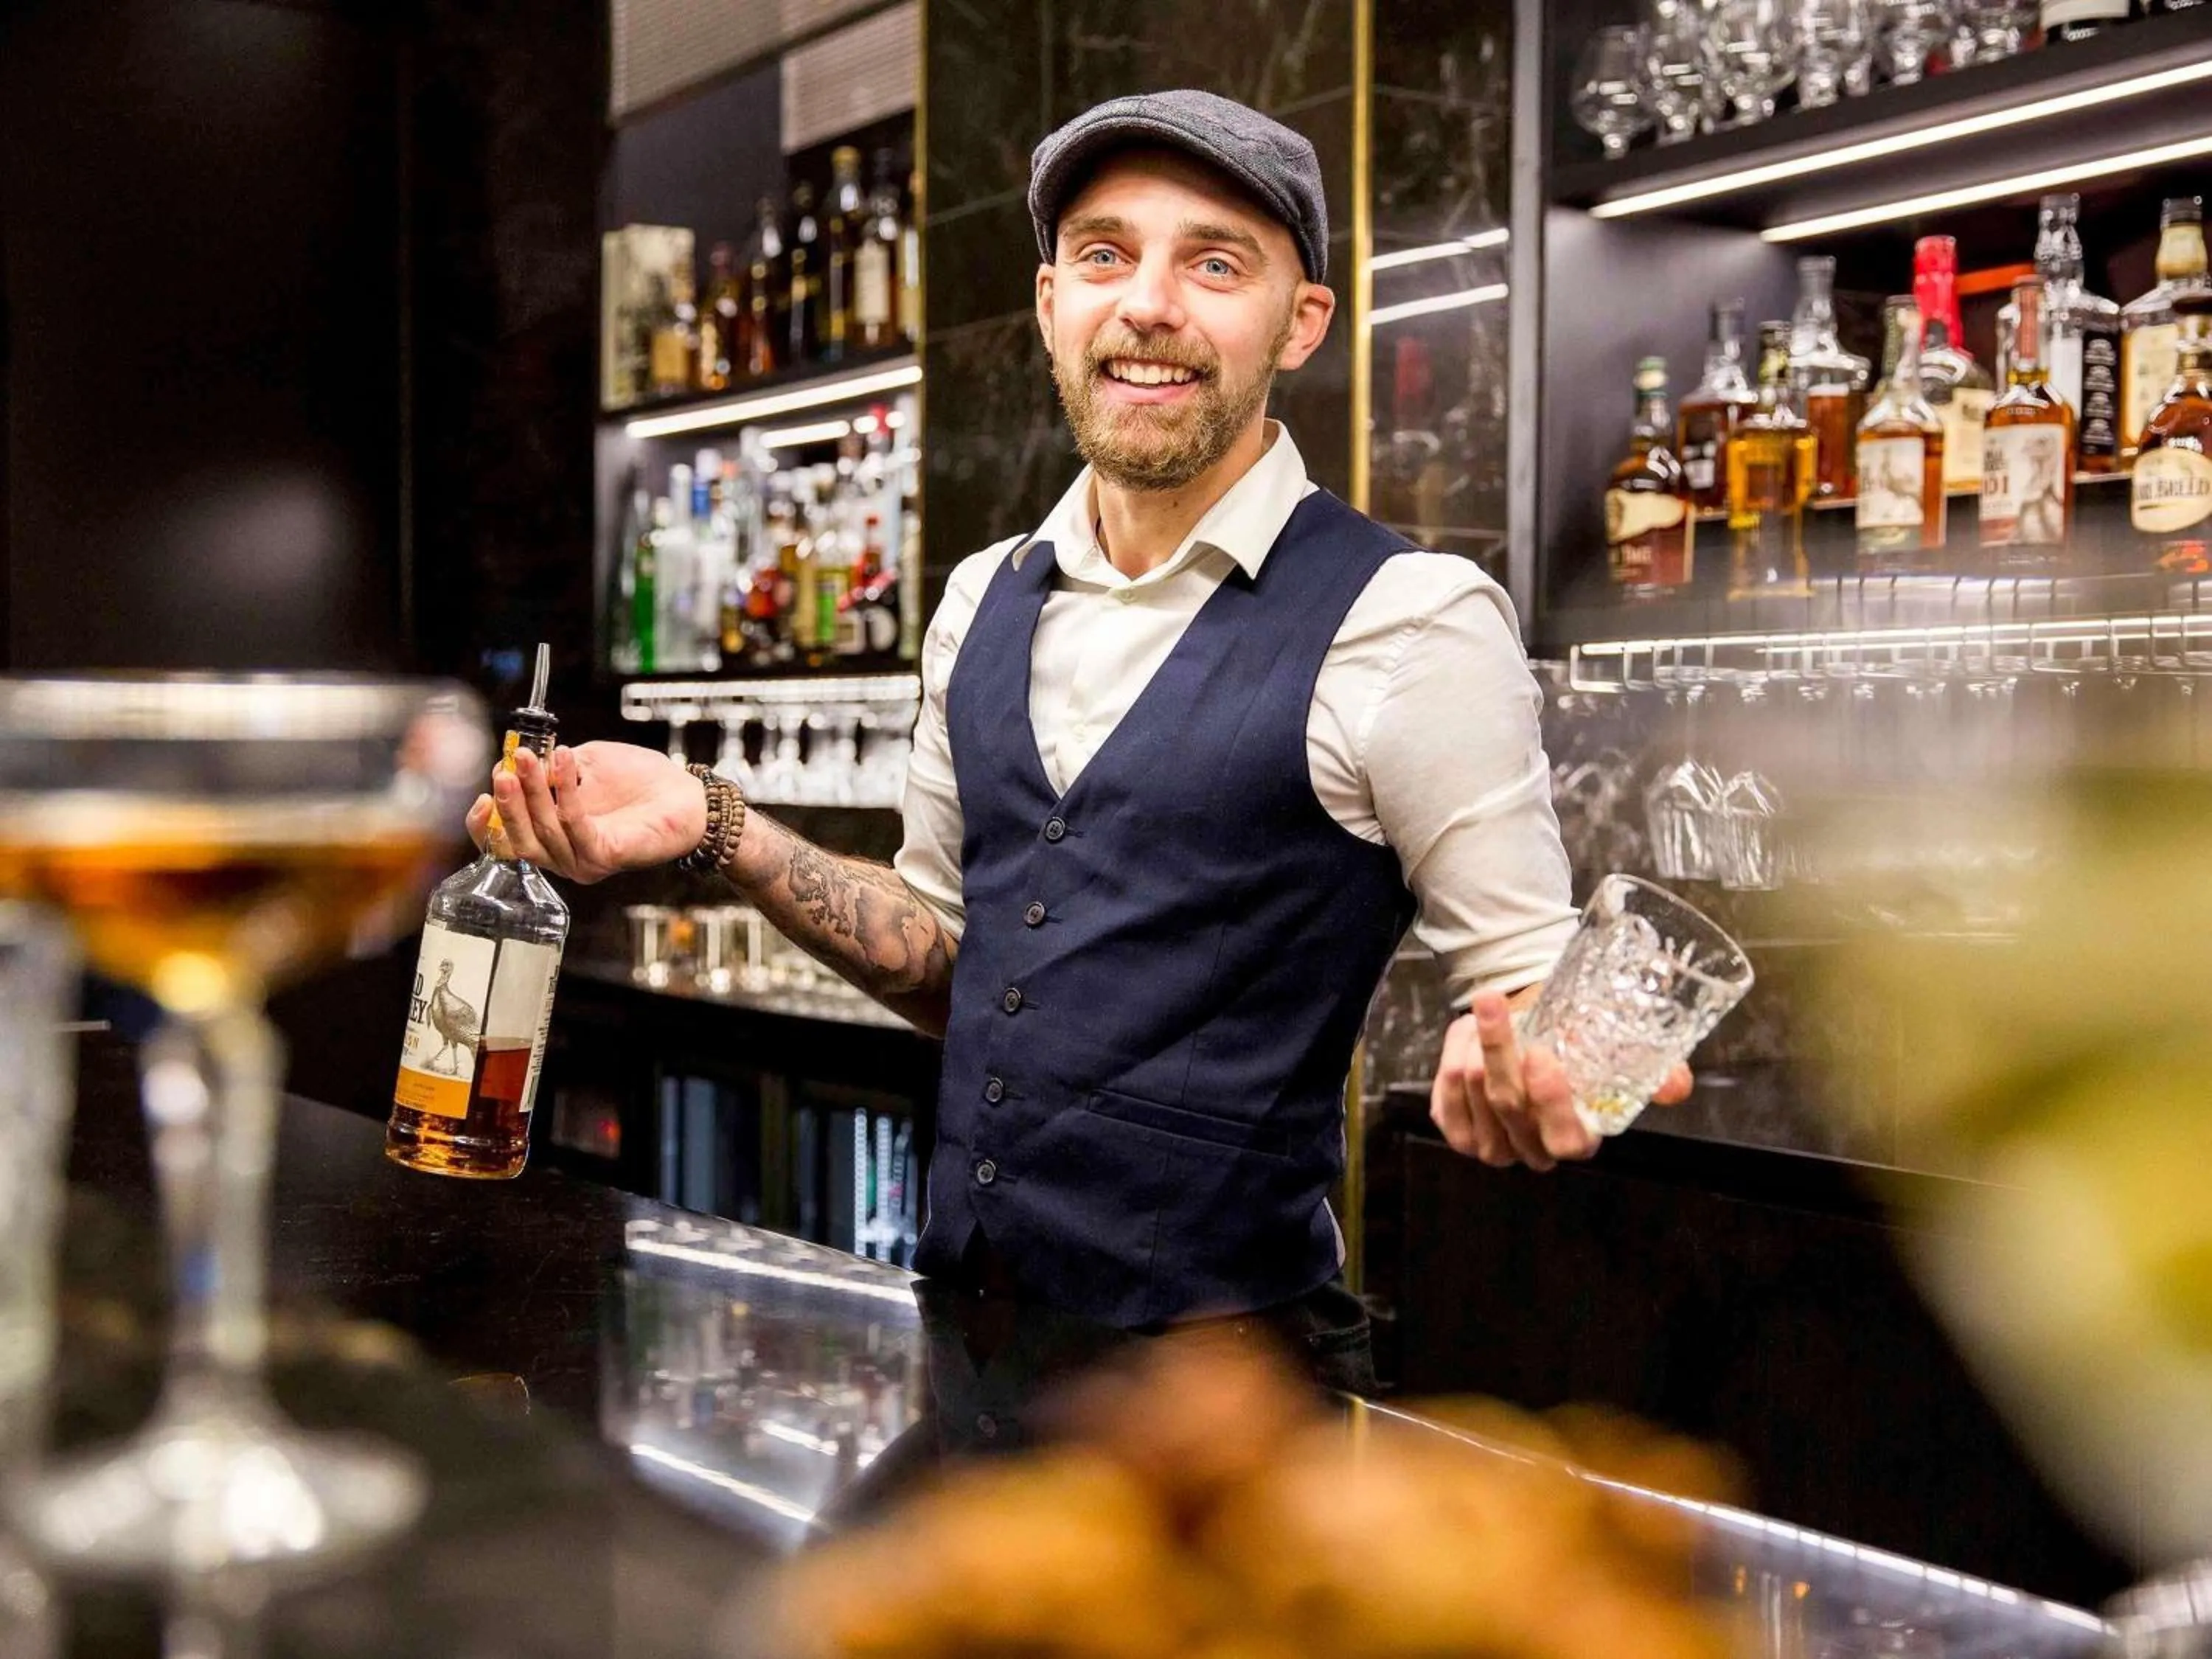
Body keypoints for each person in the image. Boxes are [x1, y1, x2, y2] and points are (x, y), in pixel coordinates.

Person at [476, 90, 1688, 1393]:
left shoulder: (1412, 618)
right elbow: (951, 956)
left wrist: (1536, 1056)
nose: (1151, 303)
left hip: (1229, 1400)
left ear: (1303, 322)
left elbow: (1536, 994)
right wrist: (715, 822)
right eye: (1107, 255)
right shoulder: (981, 598)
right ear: (1052, 301)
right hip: (962, 1347)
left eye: (1216, 263)